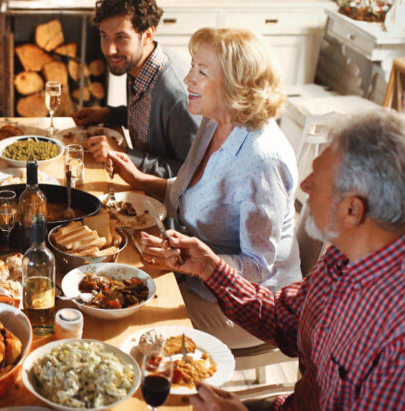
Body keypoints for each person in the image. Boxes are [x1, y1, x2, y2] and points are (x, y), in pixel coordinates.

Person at [149, 109, 405, 410]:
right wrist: (210, 268)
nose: (305, 185)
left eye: (319, 180)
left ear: (352, 210)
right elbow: (284, 319)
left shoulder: (403, 334)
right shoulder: (344, 258)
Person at [110, 27, 301, 349]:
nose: (188, 79)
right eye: (192, 67)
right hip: (198, 276)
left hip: (248, 306)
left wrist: (196, 262)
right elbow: (196, 191)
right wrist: (141, 181)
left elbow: (257, 266)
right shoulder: (215, 121)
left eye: (201, 71)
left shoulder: (260, 159)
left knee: (130, 322)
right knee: (113, 282)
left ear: (236, 83)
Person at [72, 0, 199, 178]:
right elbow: (148, 121)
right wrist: (108, 114)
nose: (109, 50)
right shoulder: (137, 65)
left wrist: (124, 154)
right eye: (104, 36)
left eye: (121, 37)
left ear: (147, 35)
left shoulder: (177, 95)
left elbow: (192, 174)